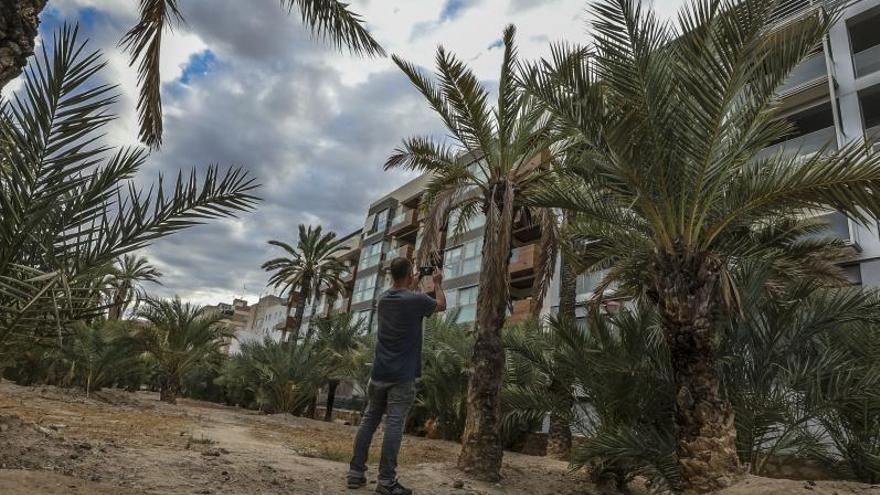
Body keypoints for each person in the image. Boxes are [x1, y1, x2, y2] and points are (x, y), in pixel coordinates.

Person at [347, 257, 446, 494]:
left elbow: (403, 293)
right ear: (409, 275)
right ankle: (386, 482)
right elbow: (441, 305)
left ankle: (355, 473)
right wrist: (438, 283)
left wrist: (414, 280)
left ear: (391, 275)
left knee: (369, 420)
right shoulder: (417, 300)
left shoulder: (383, 299)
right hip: (401, 376)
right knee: (394, 425)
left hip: (378, 372)